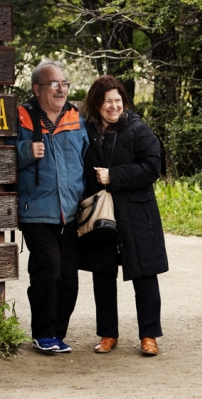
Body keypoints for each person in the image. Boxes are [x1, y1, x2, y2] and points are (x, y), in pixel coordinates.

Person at [78, 75, 169, 356]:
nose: (114, 106)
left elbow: (154, 167)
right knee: (103, 273)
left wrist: (114, 176)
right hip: (100, 213)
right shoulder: (86, 131)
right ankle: (108, 334)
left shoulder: (137, 129)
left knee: (144, 274)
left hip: (137, 213)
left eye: (118, 101)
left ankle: (149, 336)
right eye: (108, 102)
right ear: (96, 104)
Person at [11, 59, 89, 354]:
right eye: (54, 83)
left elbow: (86, 157)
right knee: (48, 269)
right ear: (37, 88)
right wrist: (25, 151)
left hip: (70, 212)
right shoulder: (21, 117)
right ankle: (42, 332)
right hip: (36, 211)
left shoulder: (74, 117)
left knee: (69, 275)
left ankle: (57, 332)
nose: (61, 88)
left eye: (64, 83)